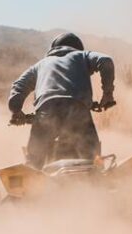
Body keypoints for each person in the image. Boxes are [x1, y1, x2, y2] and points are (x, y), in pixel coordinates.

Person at [8, 33, 116, 169]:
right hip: (78, 110)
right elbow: (106, 60)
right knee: (92, 159)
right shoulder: (82, 56)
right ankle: (97, 181)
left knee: (33, 164)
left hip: (46, 111)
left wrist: (16, 111)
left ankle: (31, 181)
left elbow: (18, 86)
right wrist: (108, 94)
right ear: (78, 48)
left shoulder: (40, 65)